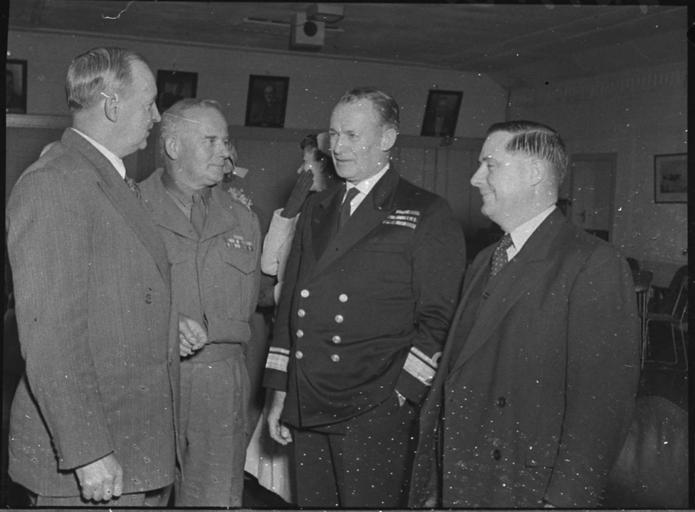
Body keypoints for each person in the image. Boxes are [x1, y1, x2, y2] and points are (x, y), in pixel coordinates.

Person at [409, 120, 641, 508]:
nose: (475, 178)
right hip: (464, 472)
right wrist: (435, 479)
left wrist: (565, 500)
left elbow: (602, 406)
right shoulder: (486, 259)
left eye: (489, 165)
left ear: (534, 173)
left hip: (524, 487)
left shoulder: (592, 263)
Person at [262, 86, 466, 508]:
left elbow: (440, 318)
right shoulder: (318, 207)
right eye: (334, 134)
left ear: (388, 138)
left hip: (374, 406)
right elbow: (290, 309)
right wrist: (278, 390)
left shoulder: (426, 211)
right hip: (308, 397)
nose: (337, 147)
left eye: (352, 135)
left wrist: (403, 394)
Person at [5, 47, 176, 506]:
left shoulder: (105, 178)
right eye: (149, 103)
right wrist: (88, 451)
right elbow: (50, 336)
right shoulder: (55, 182)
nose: (157, 117)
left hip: (132, 439)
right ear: (112, 105)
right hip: (94, 453)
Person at [139, 98, 262, 507]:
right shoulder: (131, 208)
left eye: (225, 141)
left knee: (214, 499)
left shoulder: (243, 218)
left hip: (220, 380)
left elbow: (250, 305)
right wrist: (162, 325)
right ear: (173, 146)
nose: (224, 152)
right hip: (148, 376)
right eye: (210, 141)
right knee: (140, 495)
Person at [262, 134, 338, 304]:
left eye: (305, 162)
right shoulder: (305, 213)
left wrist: (276, 294)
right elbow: (268, 266)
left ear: (323, 164)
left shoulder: (336, 214)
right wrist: (289, 210)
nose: (299, 170)